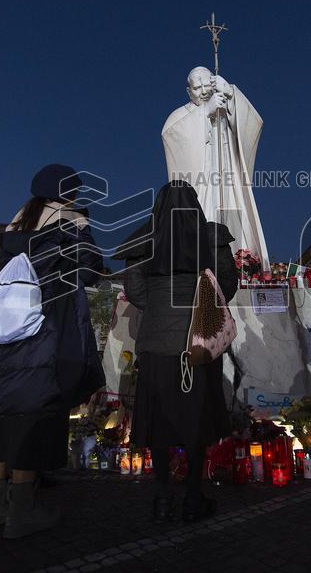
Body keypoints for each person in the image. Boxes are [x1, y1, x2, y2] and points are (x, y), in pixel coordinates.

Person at [0, 164, 105, 539]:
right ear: (68, 192)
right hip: (46, 330)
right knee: (34, 413)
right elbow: (91, 270)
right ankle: (21, 511)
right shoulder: (69, 220)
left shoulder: (16, 225)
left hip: (1, 336)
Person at [116, 181, 237, 523]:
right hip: (198, 343)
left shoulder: (144, 238)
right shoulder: (213, 235)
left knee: (159, 423)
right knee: (197, 422)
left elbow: (136, 292)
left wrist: (159, 306)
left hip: (156, 344)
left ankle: (163, 496)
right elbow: (226, 286)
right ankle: (194, 498)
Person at [161, 66, 270, 270]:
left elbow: (253, 125)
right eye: (197, 87)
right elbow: (172, 138)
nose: (203, 91)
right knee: (205, 219)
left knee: (236, 223)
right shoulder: (178, 117)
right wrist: (204, 113)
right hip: (201, 185)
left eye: (207, 85)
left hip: (228, 180)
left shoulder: (223, 109)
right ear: (188, 91)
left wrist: (230, 93)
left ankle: (243, 261)